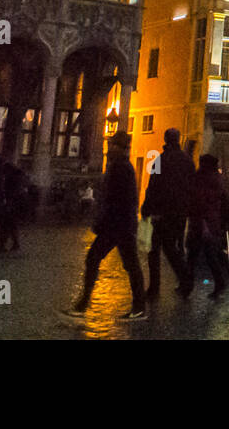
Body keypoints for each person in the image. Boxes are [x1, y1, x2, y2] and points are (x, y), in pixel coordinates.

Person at [66, 131, 146, 320]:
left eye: (114, 145)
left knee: (95, 259)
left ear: (121, 148)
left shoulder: (120, 168)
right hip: (121, 224)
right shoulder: (120, 166)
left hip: (116, 224)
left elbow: (115, 200)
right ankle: (138, 306)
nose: (111, 148)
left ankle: (83, 304)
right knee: (129, 264)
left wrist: (102, 221)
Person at [140, 127, 194, 300]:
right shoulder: (188, 161)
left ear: (165, 139)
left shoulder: (160, 160)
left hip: (162, 212)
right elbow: (192, 186)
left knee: (157, 249)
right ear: (178, 139)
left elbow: (153, 185)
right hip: (180, 212)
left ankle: (156, 287)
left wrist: (147, 207)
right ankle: (184, 280)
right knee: (173, 248)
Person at [184, 154, 229, 299]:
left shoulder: (201, 179)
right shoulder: (218, 179)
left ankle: (187, 285)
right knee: (210, 255)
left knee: (192, 256)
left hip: (200, 222)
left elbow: (198, 201)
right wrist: (223, 222)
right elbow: (225, 202)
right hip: (213, 222)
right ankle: (219, 282)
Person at [0, 160, 26, 253]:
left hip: (11, 206)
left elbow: (11, 193)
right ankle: (14, 244)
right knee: (12, 226)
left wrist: (8, 204)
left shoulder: (11, 179)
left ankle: (4, 245)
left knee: (6, 226)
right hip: (16, 206)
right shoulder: (19, 178)